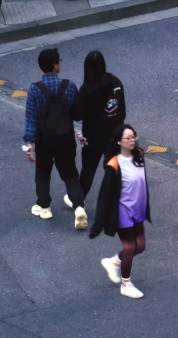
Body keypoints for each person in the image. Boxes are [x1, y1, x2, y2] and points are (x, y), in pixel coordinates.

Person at [23, 48, 88, 230]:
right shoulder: (69, 86)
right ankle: (79, 206)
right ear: (55, 65)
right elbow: (76, 115)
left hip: (44, 140)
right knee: (70, 174)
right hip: (65, 138)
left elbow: (31, 118)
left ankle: (44, 206)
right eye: (59, 60)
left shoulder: (35, 89)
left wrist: (30, 143)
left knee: (43, 173)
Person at [89, 124, 151, 299]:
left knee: (141, 246)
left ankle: (113, 262)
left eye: (134, 136)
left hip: (137, 210)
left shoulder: (139, 155)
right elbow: (105, 195)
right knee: (130, 246)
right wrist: (99, 223)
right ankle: (126, 284)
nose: (132, 140)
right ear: (119, 142)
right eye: (128, 138)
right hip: (122, 212)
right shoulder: (114, 164)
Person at [69, 50, 126, 206]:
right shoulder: (116, 83)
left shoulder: (87, 89)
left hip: (92, 138)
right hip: (114, 137)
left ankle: (79, 203)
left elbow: (77, 115)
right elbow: (122, 112)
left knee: (87, 171)